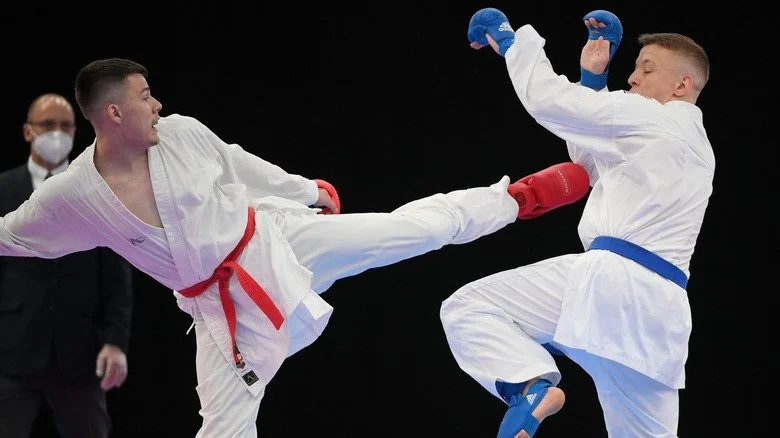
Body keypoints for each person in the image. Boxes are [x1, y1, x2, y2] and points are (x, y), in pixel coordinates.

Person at [0, 58, 591, 437]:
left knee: (405, 232)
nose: (157, 104)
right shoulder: (73, 195)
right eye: (146, 96)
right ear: (115, 111)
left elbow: (236, 162)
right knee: (226, 428)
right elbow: (8, 234)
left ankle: (521, 197)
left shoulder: (178, 133)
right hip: (219, 312)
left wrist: (305, 189)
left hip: (278, 242)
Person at [440, 7, 714, 438]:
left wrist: (513, 43)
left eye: (646, 68)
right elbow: (593, 158)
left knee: (468, 309)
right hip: (661, 314)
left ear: (683, 84)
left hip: (609, 281)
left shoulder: (652, 119)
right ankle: (529, 384)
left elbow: (548, 101)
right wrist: (593, 80)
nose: (633, 79)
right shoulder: (692, 145)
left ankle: (529, 384)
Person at [0, 93, 133, 438]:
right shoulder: (1, 189)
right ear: (28, 131)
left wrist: (115, 339)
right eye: (47, 125)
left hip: (80, 350)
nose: (56, 133)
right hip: (10, 348)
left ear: (77, 132)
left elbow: (118, 272)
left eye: (65, 126)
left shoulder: (97, 191)